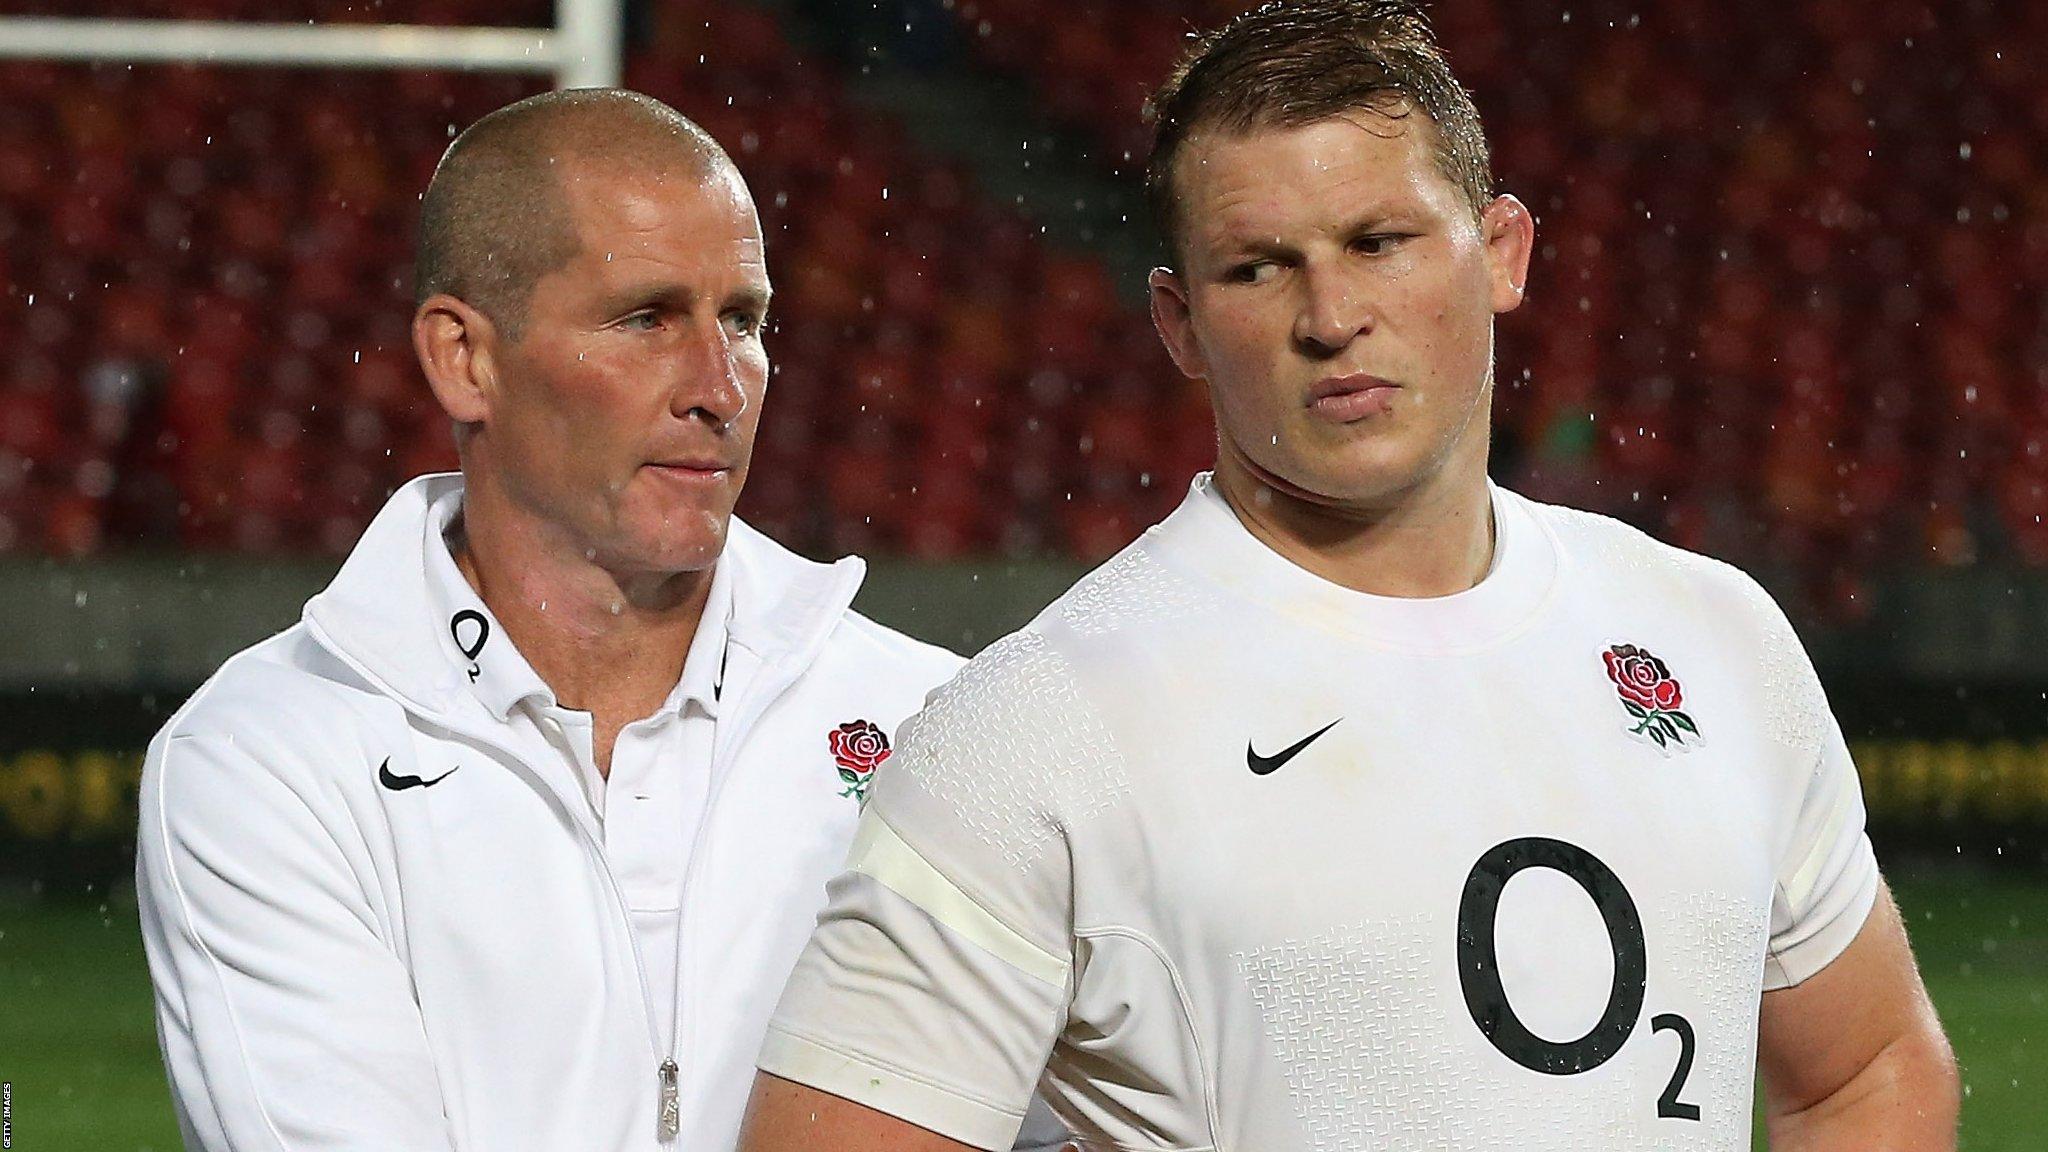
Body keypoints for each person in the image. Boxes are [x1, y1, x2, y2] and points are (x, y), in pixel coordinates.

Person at [737, 3, 1961, 1150]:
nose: (1330, 315)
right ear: (1176, 325)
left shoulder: (1709, 636)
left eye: (1379, 242)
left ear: (1501, 254)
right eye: (1257, 268)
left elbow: (1867, 1067)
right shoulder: (1032, 734)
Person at [135, 88, 1064, 1152]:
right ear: (464, 359)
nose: (720, 387)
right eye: (647, 318)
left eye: (744, 321)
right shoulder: (267, 761)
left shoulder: (936, 722)